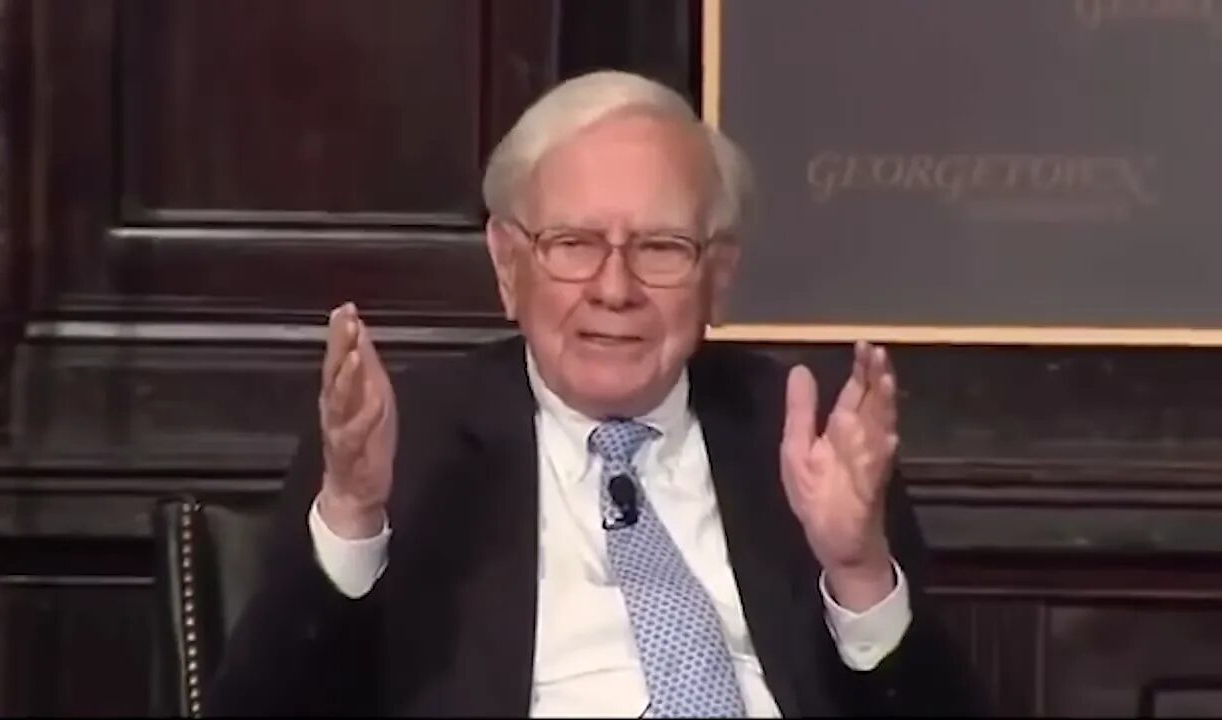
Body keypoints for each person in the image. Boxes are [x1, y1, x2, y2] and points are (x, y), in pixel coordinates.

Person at [205, 70, 984, 717]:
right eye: (573, 245)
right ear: (508, 265)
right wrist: (351, 517)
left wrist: (858, 574)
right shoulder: (409, 443)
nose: (615, 289)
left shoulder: (801, 437)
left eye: (661, 248)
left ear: (719, 276)